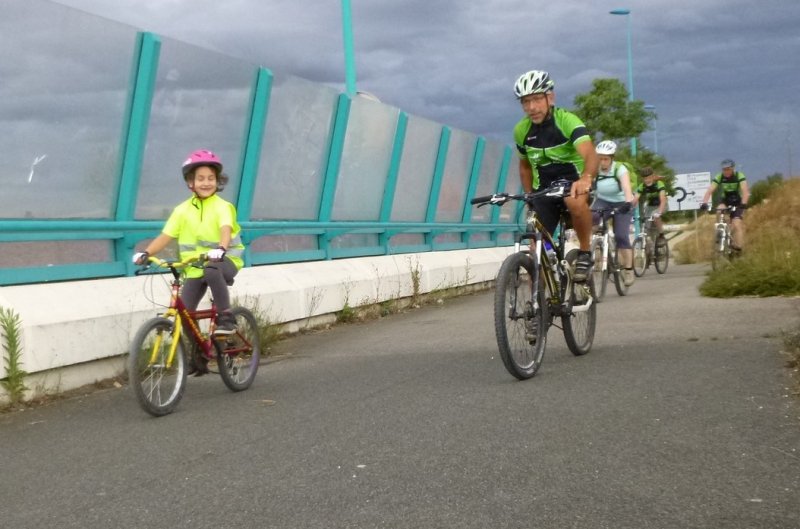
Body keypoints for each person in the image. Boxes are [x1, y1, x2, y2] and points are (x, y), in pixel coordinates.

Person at [132, 149, 245, 335]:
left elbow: (226, 229)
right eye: (200, 178)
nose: (206, 183)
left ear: (218, 181)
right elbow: (165, 236)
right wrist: (147, 253)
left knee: (212, 269)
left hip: (226, 260)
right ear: (190, 182)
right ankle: (197, 359)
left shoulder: (223, 207)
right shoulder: (181, 210)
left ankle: (226, 318)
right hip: (194, 266)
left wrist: (221, 248)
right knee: (185, 312)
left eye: (211, 178)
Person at [512, 70, 599, 282]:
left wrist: (586, 178)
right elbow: (525, 167)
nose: (531, 107)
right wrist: (529, 195)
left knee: (574, 200)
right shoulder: (521, 130)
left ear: (550, 97)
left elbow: (590, 153)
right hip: (545, 189)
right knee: (537, 250)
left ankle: (585, 253)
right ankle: (541, 303)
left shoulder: (567, 121)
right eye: (525, 102)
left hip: (574, 182)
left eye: (536, 99)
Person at [591, 140, 635, 286]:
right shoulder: (594, 169)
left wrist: (628, 203)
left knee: (621, 236)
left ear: (612, 158)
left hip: (621, 202)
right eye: (600, 158)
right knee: (592, 216)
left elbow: (627, 188)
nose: (602, 162)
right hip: (603, 201)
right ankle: (594, 244)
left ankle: (628, 270)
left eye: (606, 159)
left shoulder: (620, 169)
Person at [700, 159, 750, 251]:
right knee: (719, 210)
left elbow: (745, 191)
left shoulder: (739, 175)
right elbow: (709, 191)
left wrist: (743, 203)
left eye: (728, 169)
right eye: (724, 169)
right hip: (725, 200)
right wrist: (704, 203)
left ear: (733, 169)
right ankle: (720, 230)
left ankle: (739, 247)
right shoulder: (720, 176)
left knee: (737, 224)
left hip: (737, 202)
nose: (726, 171)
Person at [636, 167, 667, 235]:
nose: (647, 180)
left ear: (653, 176)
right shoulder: (642, 186)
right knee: (646, 226)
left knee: (656, 217)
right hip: (650, 207)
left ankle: (661, 235)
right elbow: (635, 199)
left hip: (661, 205)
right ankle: (648, 241)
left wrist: (659, 212)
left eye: (649, 178)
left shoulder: (659, 184)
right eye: (645, 179)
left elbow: (663, 200)